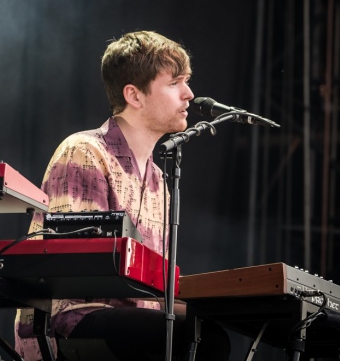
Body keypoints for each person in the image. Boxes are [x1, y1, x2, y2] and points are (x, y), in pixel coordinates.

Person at [14, 31, 230, 360]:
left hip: (128, 322)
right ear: (134, 95)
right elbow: (71, 267)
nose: (189, 94)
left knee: (207, 332)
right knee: (203, 340)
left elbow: (156, 290)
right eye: (175, 83)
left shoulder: (160, 181)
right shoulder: (84, 152)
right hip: (73, 321)